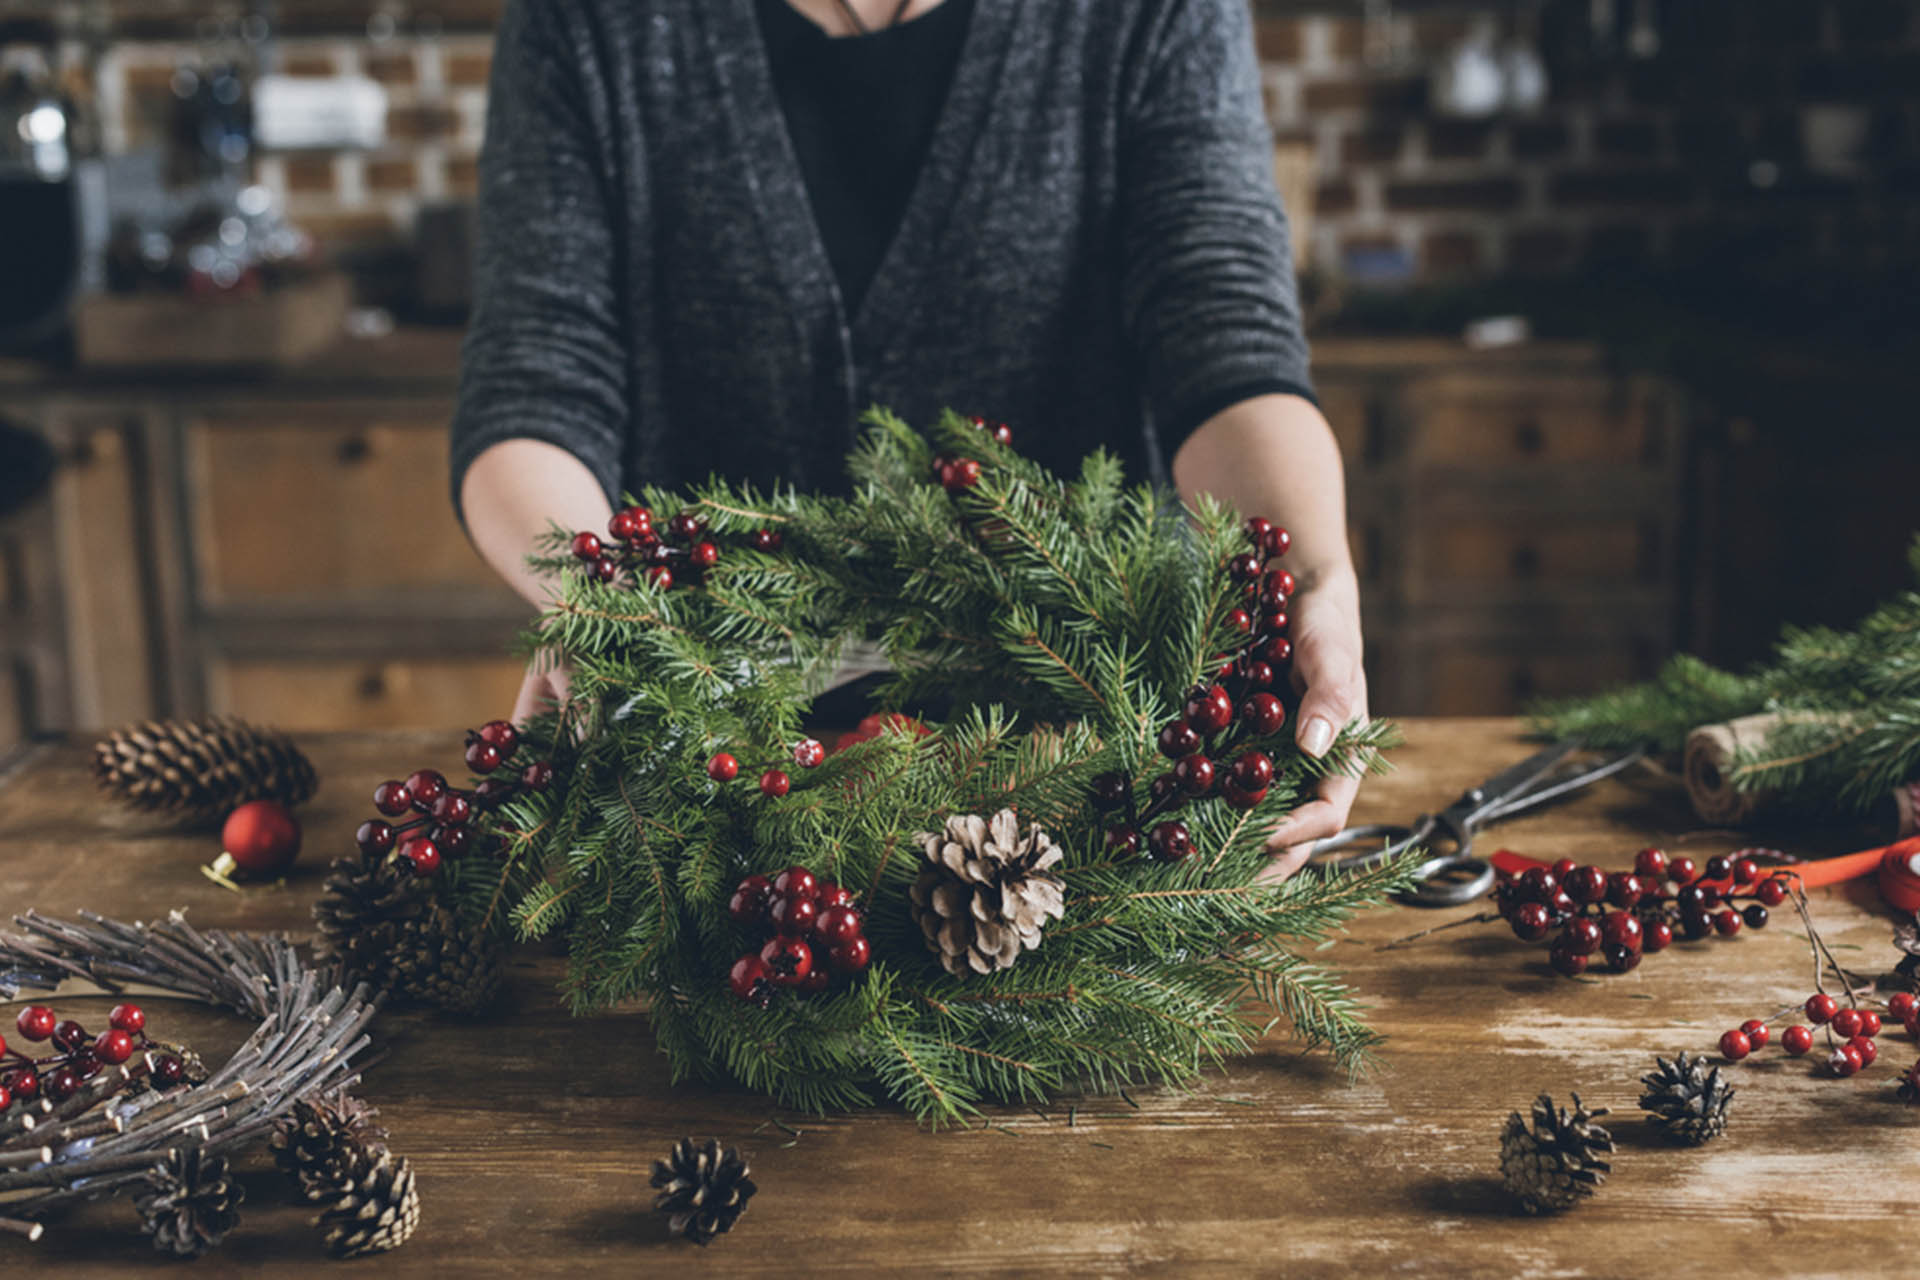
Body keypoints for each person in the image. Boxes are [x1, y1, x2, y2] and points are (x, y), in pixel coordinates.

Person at [451, 0, 1366, 872]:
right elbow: (538, 378)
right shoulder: (586, 19)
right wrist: (599, 602)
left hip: (1087, 774)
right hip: (715, 771)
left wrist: (1313, 572)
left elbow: (1223, 331)